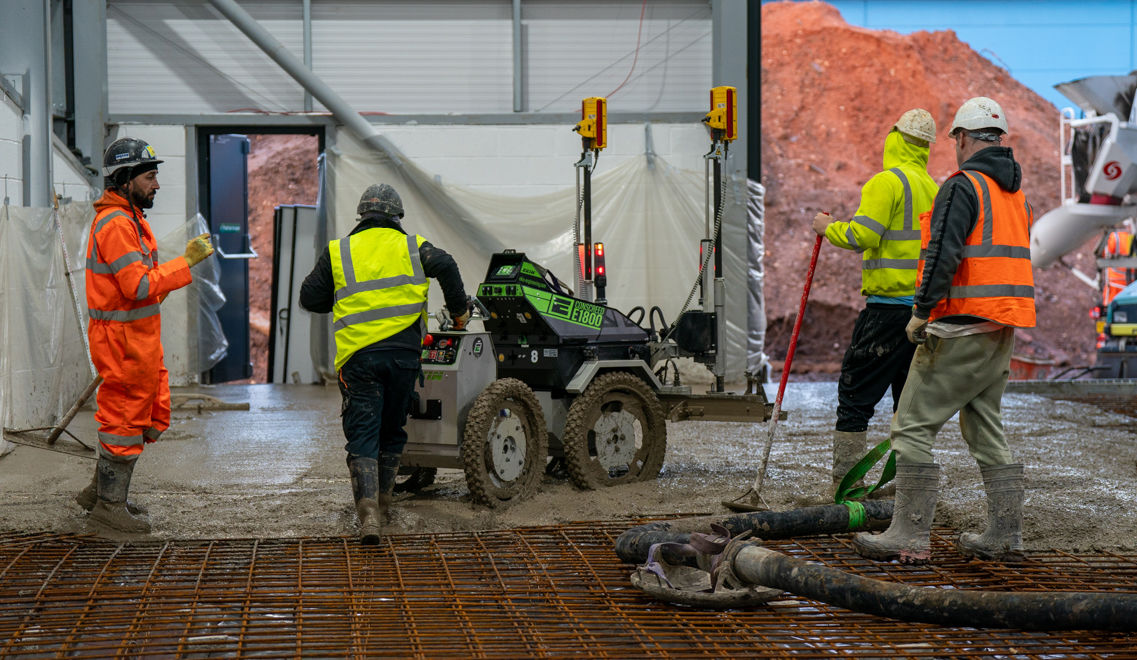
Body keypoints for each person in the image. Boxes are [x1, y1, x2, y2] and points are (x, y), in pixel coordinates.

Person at [853, 97, 1035, 564]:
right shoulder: (1014, 193)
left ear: (963, 138)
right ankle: (1005, 535)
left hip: (959, 326)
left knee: (911, 426)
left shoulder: (963, 186)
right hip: (1001, 326)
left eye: (956, 138)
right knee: (984, 426)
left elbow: (942, 254)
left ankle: (908, 536)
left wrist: (922, 311)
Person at [300, 183, 469, 545]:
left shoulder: (340, 250)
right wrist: (459, 312)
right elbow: (447, 264)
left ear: (361, 216)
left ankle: (368, 516)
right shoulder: (413, 245)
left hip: (359, 358)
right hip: (404, 355)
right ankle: (386, 504)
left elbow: (310, 298)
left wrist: (344, 295)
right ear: (397, 217)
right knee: (393, 430)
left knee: (363, 433)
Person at [77, 137, 215, 534]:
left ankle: (100, 492)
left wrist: (177, 267)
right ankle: (109, 506)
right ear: (124, 179)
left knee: (146, 413)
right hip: (122, 338)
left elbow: (147, 287)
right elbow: (138, 286)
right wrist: (184, 263)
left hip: (135, 335)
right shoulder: (118, 224)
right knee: (123, 416)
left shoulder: (132, 219)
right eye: (150, 176)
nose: (156, 184)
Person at [811, 108, 939, 498]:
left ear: (895, 138)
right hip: (922, 312)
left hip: (885, 310)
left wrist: (826, 228)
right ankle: (907, 485)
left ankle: (847, 483)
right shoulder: (934, 188)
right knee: (909, 403)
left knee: (855, 393)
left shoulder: (887, 183)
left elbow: (862, 235)